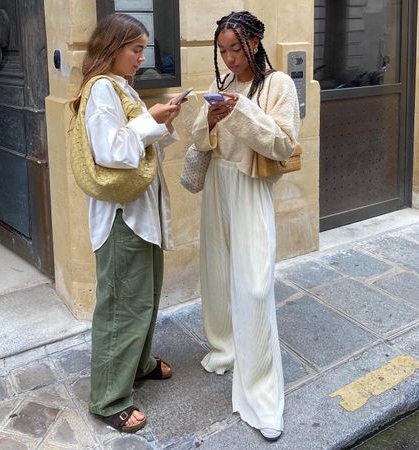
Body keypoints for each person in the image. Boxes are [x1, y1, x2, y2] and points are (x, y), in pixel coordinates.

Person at [71, 13, 184, 433]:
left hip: (139, 214)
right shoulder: (102, 87)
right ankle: (108, 398)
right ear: (112, 47)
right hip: (122, 218)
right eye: (136, 49)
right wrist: (151, 120)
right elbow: (111, 151)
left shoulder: (120, 87)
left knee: (143, 298)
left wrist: (162, 122)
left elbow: (144, 145)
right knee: (121, 306)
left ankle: (138, 365)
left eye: (144, 49)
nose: (142, 57)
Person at [191, 11, 300, 441]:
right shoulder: (224, 86)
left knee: (254, 286)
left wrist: (242, 113)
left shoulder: (278, 85)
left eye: (235, 47)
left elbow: (283, 142)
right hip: (219, 181)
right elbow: (201, 140)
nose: (229, 57)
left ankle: (262, 395)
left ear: (254, 42)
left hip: (250, 186)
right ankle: (226, 349)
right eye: (222, 50)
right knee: (217, 275)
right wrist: (212, 120)